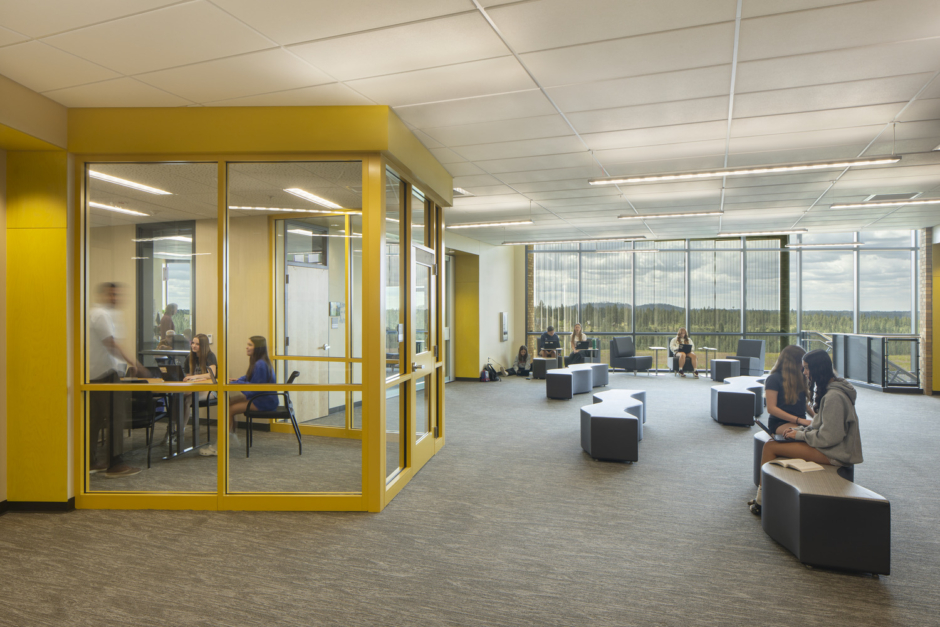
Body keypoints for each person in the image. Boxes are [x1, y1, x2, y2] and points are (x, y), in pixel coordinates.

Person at [749, 349, 863, 515]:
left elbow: (828, 438)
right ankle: (766, 496)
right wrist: (800, 430)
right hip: (833, 448)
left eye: (807, 368)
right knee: (776, 442)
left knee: (770, 447)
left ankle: (760, 502)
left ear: (817, 368)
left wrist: (800, 434)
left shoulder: (833, 397)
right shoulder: (832, 391)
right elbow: (820, 425)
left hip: (836, 453)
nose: (804, 372)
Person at [88, 282, 148, 478]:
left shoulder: (97, 314)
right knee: (116, 417)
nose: (115, 298)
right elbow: (111, 344)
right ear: (103, 295)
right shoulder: (101, 315)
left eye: (117, 295)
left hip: (94, 375)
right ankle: (115, 463)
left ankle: (89, 460)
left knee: (95, 419)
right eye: (111, 294)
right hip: (106, 374)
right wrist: (136, 364)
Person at [200, 335, 277, 457]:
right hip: (262, 397)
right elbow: (248, 378)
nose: (246, 347)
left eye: (250, 345)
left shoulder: (260, 364)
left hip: (263, 401)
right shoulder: (259, 361)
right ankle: (230, 438)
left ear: (258, 348)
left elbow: (254, 389)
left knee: (228, 410)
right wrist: (238, 380)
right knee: (228, 403)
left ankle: (220, 446)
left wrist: (237, 384)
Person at [765, 345, 814, 435]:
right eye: (801, 363)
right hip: (780, 423)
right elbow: (771, 408)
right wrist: (799, 420)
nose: (803, 367)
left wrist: (816, 418)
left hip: (800, 421)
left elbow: (803, 404)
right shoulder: (773, 379)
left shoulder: (800, 377)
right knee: (804, 434)